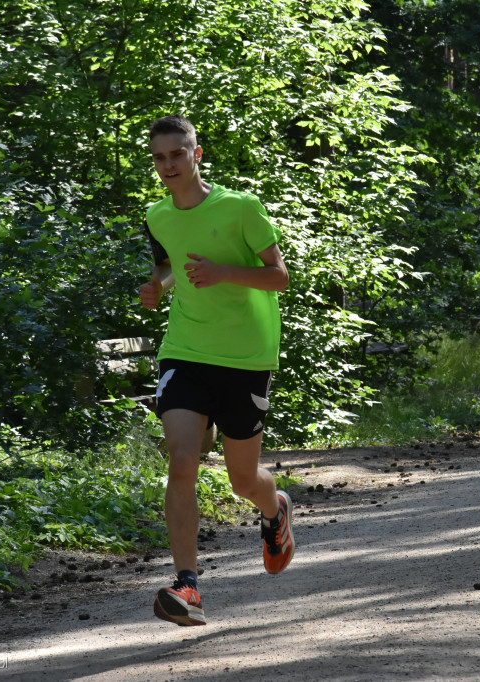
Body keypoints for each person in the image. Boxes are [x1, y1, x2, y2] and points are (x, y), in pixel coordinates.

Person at [139, 115, 293, 626]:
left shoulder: (241, 208)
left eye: (177, 155)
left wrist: (225, 271)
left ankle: (274, 510)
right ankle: (188, 585)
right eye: (160, 158)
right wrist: (157, 285)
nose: (168, 166)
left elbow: (279, 277)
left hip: (245, 356)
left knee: (242, 480)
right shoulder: (157, 215)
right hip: (185, 348)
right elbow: (166, 261)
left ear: (196, 154)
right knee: (181, 458)